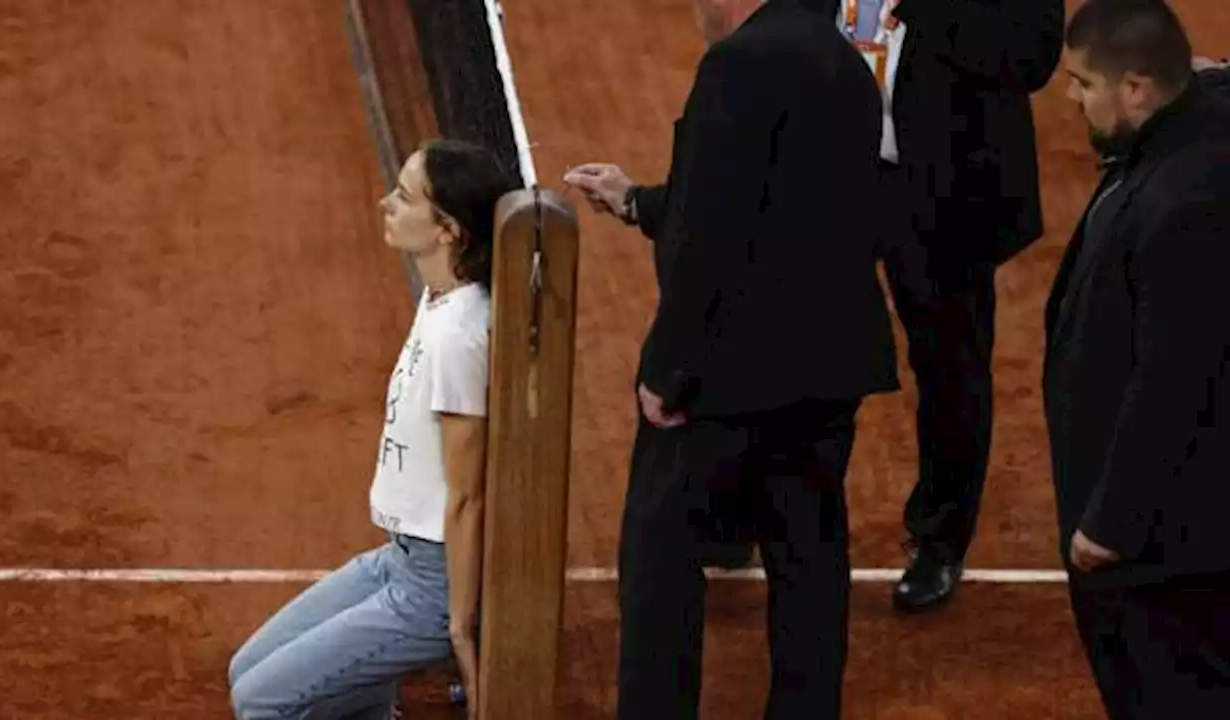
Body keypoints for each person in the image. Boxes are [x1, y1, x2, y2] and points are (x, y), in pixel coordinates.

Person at [564, 0, 899, 716]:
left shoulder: (737, 65)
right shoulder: (846, 63)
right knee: (808, 562)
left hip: (729, 381)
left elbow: (709, 235)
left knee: (659, 562)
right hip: (830, 369)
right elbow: (792, 206)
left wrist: (668, 371)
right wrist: (634, 201)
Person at [226, 139, 518, 720]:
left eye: (405, 197)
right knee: (245, 670)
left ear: (448, 231)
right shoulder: (440, 294)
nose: (386, 203)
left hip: (430, 588)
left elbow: (467, 496)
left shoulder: (459, 336)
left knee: (261, 702)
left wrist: (458, 628)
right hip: (397, 559)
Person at [1046, 1, 1230, 717]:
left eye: (1083, 82)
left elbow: (1171, 381)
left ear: (1136, 88)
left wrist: (1112, 522)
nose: (1072, 98)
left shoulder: (1189, 200)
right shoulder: (1179, 134)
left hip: (1166, 547)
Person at [865, 0, 1066, 613]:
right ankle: (742, 511)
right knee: (779, 323)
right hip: (834, 165)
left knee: (950, 365)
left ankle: (940, 539)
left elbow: (1030, 55)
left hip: (947, 187)